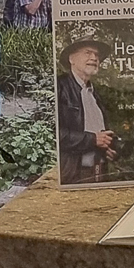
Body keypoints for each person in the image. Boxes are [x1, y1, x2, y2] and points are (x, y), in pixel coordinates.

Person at [56, 36, 117, 184]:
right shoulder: (60, 87)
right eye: (88, 53)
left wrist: (109, 148)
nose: (94, 58)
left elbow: (99, 133)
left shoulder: (95, 94)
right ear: (72, 58)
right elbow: (56, 135)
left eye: (97, 55)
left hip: (100, 172)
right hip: (74, 174)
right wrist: (93, 140)